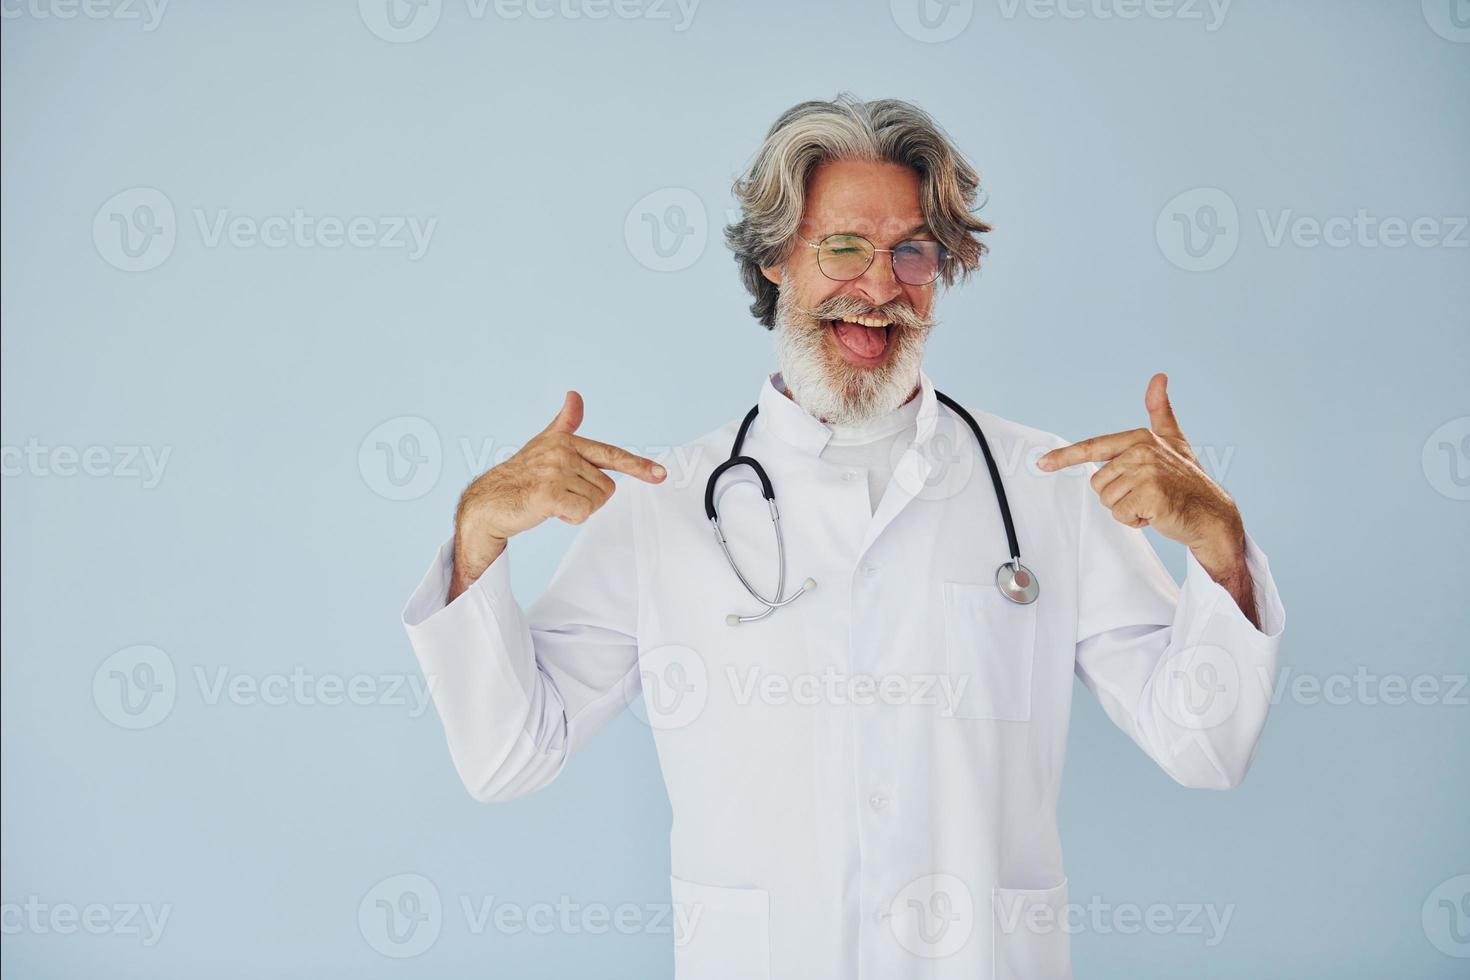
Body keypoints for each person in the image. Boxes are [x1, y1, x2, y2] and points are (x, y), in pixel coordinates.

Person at [401, 93, 1284, 980]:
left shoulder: (1047, 488)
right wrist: (478, 536)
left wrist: (1220, 547)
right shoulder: (662, 507)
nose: (880, 287)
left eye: (912, 252)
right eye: (845, 248)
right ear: (778, 259)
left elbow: (1202, 746)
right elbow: (510, 755)